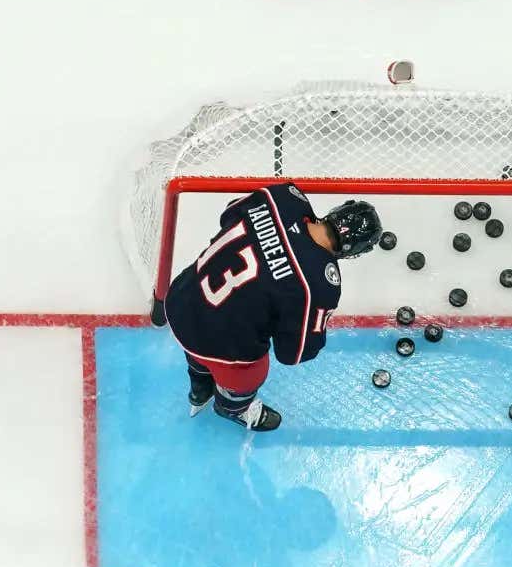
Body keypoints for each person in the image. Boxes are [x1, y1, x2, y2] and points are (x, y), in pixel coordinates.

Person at [163, 182, 381, 431]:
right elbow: (293, 354)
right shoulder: (320, 284)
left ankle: (199, 388)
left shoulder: (283, 196)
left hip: (182, 297)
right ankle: (232, 408)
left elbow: (228, 214)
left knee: (199, 330)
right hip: (219, 343)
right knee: (252, 370)